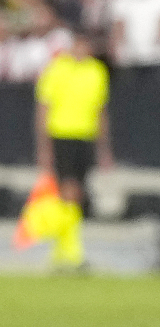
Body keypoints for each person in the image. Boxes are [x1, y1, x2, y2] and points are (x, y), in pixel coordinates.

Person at [34, 32, 111, 272]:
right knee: (69, 190)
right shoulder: (57, 69)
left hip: (86, 137)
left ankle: (62, 250)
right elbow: (43, 110)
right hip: (62, 135)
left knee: (75, 193)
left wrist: (104, 149)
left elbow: (101, 112)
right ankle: (72, 250)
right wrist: (44, 147)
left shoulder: (97, 71)